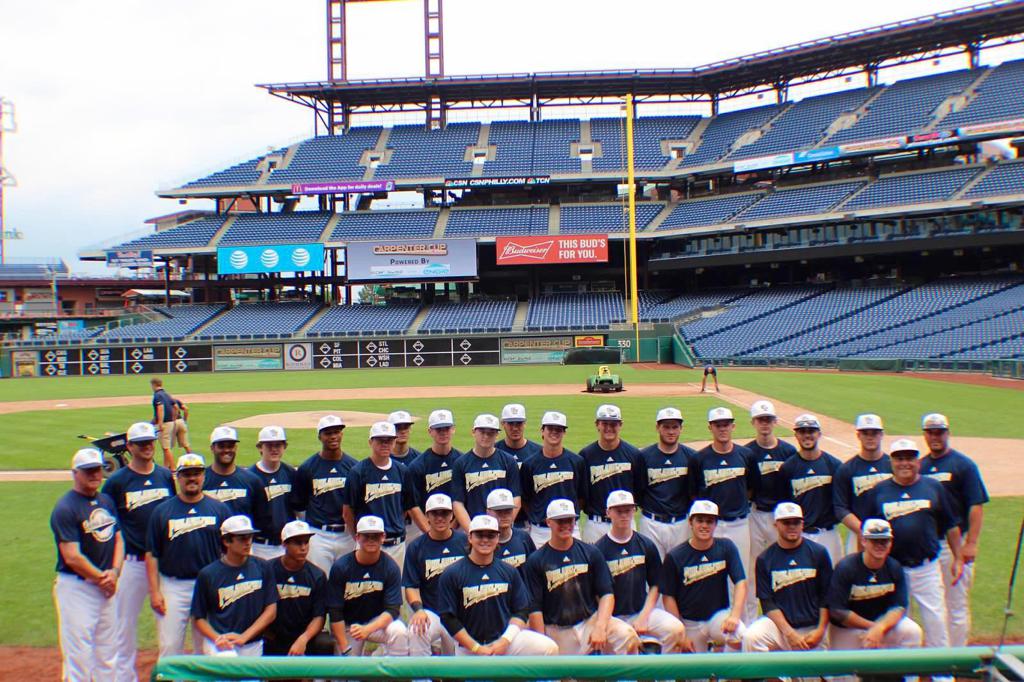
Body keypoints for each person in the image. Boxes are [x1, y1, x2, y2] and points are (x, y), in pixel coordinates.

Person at [866, 438, 963, 649]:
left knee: (936, 622)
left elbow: (951, 525)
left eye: (909, 458)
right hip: (893, 570)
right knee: (900, 626)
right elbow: (868, 532)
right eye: (899, 458)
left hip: (926, 567)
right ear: (891, 462)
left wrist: (958, 558)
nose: (904, 463)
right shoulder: (879, 491)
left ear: (917, 461)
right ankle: (906, 676)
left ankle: (942, 676)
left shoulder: (933, 487)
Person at [101, 421, 175, 681]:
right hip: (131, 563)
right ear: (129, 446)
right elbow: (106, 522)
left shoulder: (165, 476)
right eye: (141, 443)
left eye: (150, 442)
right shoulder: (117, 482)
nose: (147, 447)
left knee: (167, 627)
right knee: (123, 628)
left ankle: (168, 676)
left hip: (164, 563)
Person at [523, 498, 639, 655]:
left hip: (588, 622)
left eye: (569, 520)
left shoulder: (590, 552)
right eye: (560, 521)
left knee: (625, 634)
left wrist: (600, 626)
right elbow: (534, 608)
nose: (565, 525)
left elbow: (606, 594)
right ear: (549, 522)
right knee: (568, 677)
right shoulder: (536, 560)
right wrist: (542, 642)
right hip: (557, 630)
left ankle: (625, 679)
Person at [145, 453, 231, 657]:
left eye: (197, 474)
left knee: (209, 647)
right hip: (174, 586)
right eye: (187, 474)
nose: (192, 478)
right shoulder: (162, 511)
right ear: (178, 477)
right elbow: (152, 554)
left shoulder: (219, 509)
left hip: (209, 585)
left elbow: (230, 551)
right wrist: (155, 592)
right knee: (170, 645)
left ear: (204, 476)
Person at [437, 514, 560, 656]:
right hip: (468, 647)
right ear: (470, 537)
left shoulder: (509, 571)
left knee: (548, 648)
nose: (485, 540)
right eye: (480, 535)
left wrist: (505, 641)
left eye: (490, 536)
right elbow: (448, 618)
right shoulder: (452, 573)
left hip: (505, 642)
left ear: (497, 539)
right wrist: (476, 648)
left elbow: (521, 611)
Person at [51, 448, 124, 681]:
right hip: (77, 589)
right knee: (79, 656)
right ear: (75, 473)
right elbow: (72, 556)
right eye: (89, 471)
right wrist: (103, 579)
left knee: (109, 652)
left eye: (98, 469)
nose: (95, 475)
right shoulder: (65, 507)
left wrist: (114, 573)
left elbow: (119, 538)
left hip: (106, 585)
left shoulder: (105, 501)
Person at [921, 412, 989, 647]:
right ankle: (936, 658)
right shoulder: (920, 466)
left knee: (956, 605)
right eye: (930, 432)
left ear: (947, 433)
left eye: (939, 432)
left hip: (955, 545)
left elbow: (976, 505)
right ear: (925, 435)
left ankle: (957, 658)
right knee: (934, 607)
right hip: (930, 546)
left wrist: (970, 543)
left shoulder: (963, 465)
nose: (935, 437)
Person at [595, 490, 685, 653]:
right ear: (608, 513)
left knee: (675, 629)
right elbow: (597, 593)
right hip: (612, 618)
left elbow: (656, 584)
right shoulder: (598, 549)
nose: (624, 515)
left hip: (641, 611)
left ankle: (665, 676)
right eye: (619, 511)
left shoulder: (646, 544)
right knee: (624, 655)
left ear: (634, 511)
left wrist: (644, 616)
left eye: (628, 510)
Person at [690, 406, 759, 621]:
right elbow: (695, 494)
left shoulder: (746, 455)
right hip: (711, 526)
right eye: (718, 425)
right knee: (709, 573)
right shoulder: (699, 459)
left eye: (726, 424)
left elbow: (751, 488)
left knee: (741, 574)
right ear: (710, 427)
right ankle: (713, 624)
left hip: (739, 523)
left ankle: (746, 625)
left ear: (733, 426)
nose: (722, 428)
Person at [742, 502, 832, 652]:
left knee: (814, 676)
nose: (792, 526)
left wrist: (821, 630)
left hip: (812, 629)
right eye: (786, 522)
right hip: (780, 628)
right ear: (776, 524)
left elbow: (826, 597)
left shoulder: (818, 553)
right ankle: (770, 677)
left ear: (802, 524)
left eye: (796, 522)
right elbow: (768, 604)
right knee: (752, 637)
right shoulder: (765, 559)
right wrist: (790, 633)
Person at [661, 500, 747, 653]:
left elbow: (741, 582)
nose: (704, 525)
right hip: (690, 623)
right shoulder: (676, 556)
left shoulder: (726, 547)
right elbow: (668, 596)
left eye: (709, 521)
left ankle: (727, 674)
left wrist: (734, 616)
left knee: (741, 635)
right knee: (695, 674)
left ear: (715, 524)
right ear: (690, 522)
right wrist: (681, 631)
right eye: (699, 520)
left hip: (718, 617)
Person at [827, 518, 922, 650]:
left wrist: (881, 628)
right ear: (864, 541)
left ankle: (902, 670)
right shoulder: (846, 567)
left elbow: (899, 607)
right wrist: (873, 628)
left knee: (912, 631)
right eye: (875, 540)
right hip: (848, 629)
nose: (880, 545)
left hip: (882, 624)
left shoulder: (894, 567)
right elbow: (838, 612)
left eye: (884, 541)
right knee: (843, 670)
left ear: (890, 543)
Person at [191, 515, 278, 656]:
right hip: (221, 644)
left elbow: (271, 610)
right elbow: (198, 617)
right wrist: (217, 639)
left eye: (249, 537)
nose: (248, 542)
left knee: (251, 679)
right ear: (226, 541)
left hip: (252, 643)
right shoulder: (208, 574)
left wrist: (245, 637)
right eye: (242, 538)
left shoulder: (263, 567)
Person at [344, 421, 425, 569]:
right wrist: (358, 537)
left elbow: (409, 506)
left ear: (394, 442)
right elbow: (348, 512)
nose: (385, 444)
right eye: (380, 440)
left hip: (396, 544)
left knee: (396, 588)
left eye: (389, 440)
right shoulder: (358, 472)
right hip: (368, 543)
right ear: (370, 442)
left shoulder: (402, 471)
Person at [327, 515, 410, 656]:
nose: (371, 540)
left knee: (399, 631)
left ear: (383, 537)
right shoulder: (341, 567)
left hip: (377, 624)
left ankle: (394, 676)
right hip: (349, 626)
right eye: (366, 536)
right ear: (357, 537)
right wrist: (344, 647)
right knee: (348, 674)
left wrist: (368, 629)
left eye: (375, 536)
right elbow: (335, 612)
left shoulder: (390, 567)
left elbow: (393, 610)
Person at [291, 415, 361, 575]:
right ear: (320, 436)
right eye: (328, 433)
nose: (333, 436)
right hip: (319, 535)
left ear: (342, 434)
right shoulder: (307, 468)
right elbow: (300, 506)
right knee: (320, 581)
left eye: (336, 432)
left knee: (348, 584)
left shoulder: (354, 467)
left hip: (347, 534)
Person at [403, 493, 467, 656]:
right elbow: (411, 586)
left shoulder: (465, 543)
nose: (440, 518)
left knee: (455, 671)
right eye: (435, 513)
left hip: (461, 613)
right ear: (427, 516)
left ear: (452, 515)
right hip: (433, 613)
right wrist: (418, 610)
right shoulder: (416, 547)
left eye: (444, 513)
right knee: (417, 630)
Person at [779, 414, 843, 566]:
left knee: (831, 582)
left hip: (828, 533)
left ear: (819, 434)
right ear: (796, 435)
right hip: (800, 535)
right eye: (802, 431)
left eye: (811, 431)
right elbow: (784, 504)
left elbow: (841, 502)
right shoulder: (788, 468)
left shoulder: (834, 465)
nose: (807, 435)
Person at [265, 520, 334, 657]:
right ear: (284, 544)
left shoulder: (317, 576)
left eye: (306, 542)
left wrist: (304, 639)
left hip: (305, 635)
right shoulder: (268, 570)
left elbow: (319, 617)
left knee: (324, 643)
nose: (303, 547)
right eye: (298, 542)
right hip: (273, 635)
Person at [518, 412, 587, 547]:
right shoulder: (529, 464)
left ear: (564, 433)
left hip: (570, 528)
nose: (554, 433)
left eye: (559, 430)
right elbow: (525, 499)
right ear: (542, 431)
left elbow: (581, 497)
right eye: (550, 429)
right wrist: (537, 514)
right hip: (540, 530)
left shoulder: (576, 462)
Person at [636, 407, 694, 558]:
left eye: (675, 427)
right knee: (652, 573)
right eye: (666, 426)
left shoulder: (691, 457)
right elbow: (639, 491)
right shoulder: (644, 457)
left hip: (681, 523)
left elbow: (693, 492)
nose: (671, 431)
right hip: (651, 522)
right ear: (658, 427)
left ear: (681, 428)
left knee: (680, 573)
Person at [579, 404, 642, 544]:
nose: (609, 428)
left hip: (626, 522)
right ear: (597, 425)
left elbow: (639, 489)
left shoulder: (633, 454)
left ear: (620, 425)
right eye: (604, 423)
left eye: (613, 424)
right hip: (596, 524)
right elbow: (582, 493)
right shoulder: (586, 455)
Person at [745, 400, 798, 565]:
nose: (765, 423)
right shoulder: (747, 452)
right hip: (756, 514)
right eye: (761, 419)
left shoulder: (789, 451)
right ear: (753, 422)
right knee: (755, 561)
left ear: (775, 421)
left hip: (782, 514)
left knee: (784, 559)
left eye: (768, 419)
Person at [451, 413, 522, 530]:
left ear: (497, 435)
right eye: (482, 432)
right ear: (473, 432)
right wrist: (472, 531)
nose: (486, 436)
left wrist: (503, 527)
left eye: (490, 433)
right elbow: (458, 503)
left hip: (502, 528)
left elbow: (516, 498)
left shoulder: (508, 461)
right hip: (474, 525)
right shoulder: (461, 463)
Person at [834, 414, 891, 554]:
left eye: (875, 433)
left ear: (882, 434)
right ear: (858, 435)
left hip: (890, 532)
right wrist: (863, 530)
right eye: (865, 433)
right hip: (858, 533)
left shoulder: (893, 465)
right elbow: (840, 507)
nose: (870, 437)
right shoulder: (846, 469)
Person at [408, 410, 463, 526]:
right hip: (427, 525)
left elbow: (466, 499)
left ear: (453, 429)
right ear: (430, 431)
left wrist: (452, 528)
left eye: (446, 428)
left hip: (457, 524)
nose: (443, 433)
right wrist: (429, 531)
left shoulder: (462, 461)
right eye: (438, 429)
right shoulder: (418, 465)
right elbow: (413, 504)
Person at [248, 425, 295, 561]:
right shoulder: (250, 477)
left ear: (284, 447)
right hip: (260, 546)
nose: (274, 449)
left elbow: (298, 509)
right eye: (269, 445)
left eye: (278, 445)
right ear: (260, 447)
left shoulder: (291, 473)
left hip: (287, 545)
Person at [203, 426, 262, 518]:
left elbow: (261, 518)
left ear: (236, 448)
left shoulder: (252, 480)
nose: (226, 450)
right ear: (212, 448)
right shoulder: (201, 479)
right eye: (221, 446)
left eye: (230, 446)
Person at [486, 488, 536, 575]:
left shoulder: (523, 538)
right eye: (499, 511)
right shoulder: (483, 543)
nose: (504, 515)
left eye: (508, 511)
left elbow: (533, 570)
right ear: (488, 512)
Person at [495, 403, 542, 469]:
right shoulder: (493, 451)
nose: (515, 428)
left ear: (525, 423)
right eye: (510, 423)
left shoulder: (539, 451)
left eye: (519, 423)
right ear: (502, 424)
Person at [150, 377, 179, 468]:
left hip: (165, 423)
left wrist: (160, 423)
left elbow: (160, 408)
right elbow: (176, 407)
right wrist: (174, 419)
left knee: (166, 448)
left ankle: (173, 469)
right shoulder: (166, 394)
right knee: (165, 447)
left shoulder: (157, 395)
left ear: (153, 385)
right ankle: (165, 467)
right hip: (170, 422)